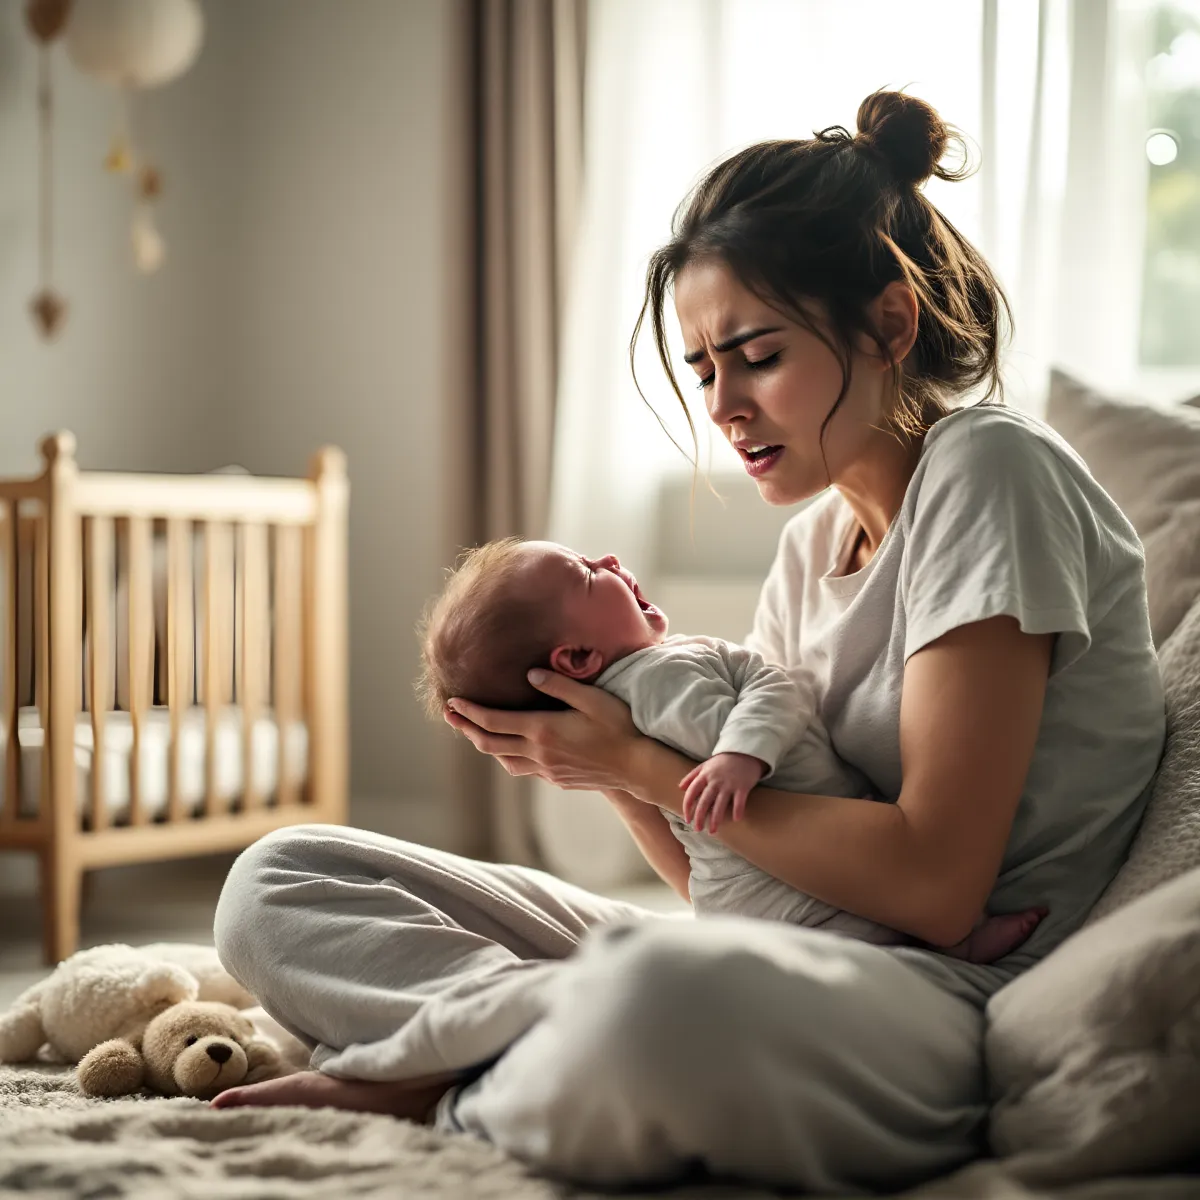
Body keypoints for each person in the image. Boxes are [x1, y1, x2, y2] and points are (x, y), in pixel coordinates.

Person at [209, 90, 1166, 1194]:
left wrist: (633, 762)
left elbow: (940, 885)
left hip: (936, 988)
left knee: (663, 1001)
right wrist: (595, 762)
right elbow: (722, 881)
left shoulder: (992, 473)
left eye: (756, 356)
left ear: (893, 325)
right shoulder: (817, 543)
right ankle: (520, 1042)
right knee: (279, 879)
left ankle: (443, 1070)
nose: (724, 405)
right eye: (705, 370)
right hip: (775, 948)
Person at [415, 534, 1045, 961]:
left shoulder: (650, 687)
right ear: (576, 657)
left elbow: (746, 732)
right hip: (783, 914)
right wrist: (716, 758)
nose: (608, 560)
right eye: (586, 573)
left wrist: (638, 765)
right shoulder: (662, 675)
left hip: (759, 918)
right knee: (312, 863)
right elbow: (778, 692)